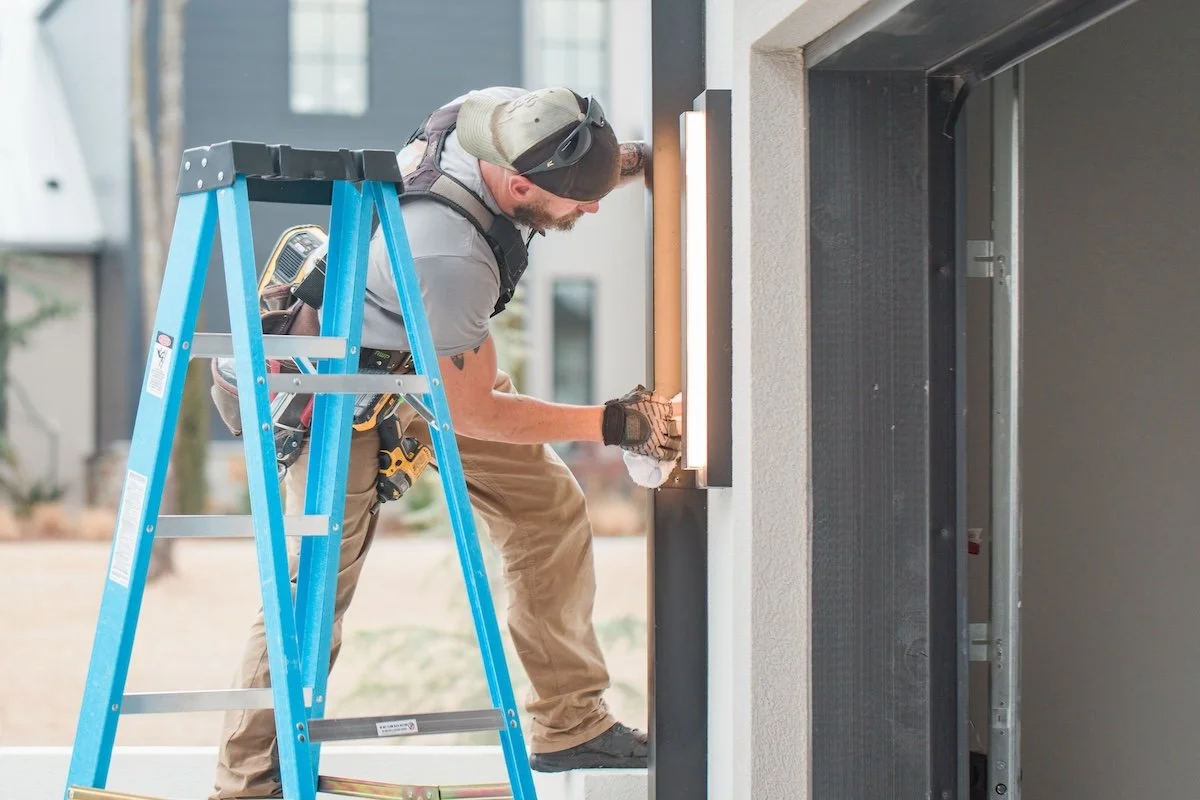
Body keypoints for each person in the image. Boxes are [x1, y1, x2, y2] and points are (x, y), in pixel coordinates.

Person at [208, 86, 681, 799]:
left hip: (418, 348)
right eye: (578, 202)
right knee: (310, 596)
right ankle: (245, 787)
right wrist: (617, 424)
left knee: (545, 511)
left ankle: (569, 722)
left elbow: (558, 161)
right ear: (517, 185)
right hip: (339, 386)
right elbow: (476, 412)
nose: (589, 210)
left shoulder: (484, 116)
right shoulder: (451, 257)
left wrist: (630, 163)